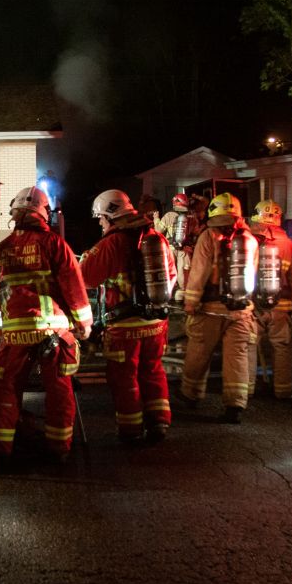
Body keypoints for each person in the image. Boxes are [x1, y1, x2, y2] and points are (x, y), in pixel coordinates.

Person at [0, 186, 92, 465]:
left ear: (15, 213)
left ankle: (0, 449)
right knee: (58, 388)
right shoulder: (54, 243)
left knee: (6, 387)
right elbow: (73, 286)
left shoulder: (1, 248)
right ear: (44, 213)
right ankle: (58, 448)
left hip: (14, 332)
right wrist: (84, 324)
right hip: (51, 330)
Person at [81, 189, 174, 443]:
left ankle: (131, 431)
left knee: (124, 377)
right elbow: (171, 276)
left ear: (110, 216)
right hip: (156, 322)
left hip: (124, 326)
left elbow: (85, 278)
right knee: (153, 370)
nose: (100, 223)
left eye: (101, 218)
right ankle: (159, 422)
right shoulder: (157, 238)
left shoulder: (110, 243)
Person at [180, 192, 258, 423]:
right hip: (241, 309)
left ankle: (191, 394)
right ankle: (235, 405)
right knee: (237, 357)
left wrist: (191, 302)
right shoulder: (250, 240)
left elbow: (199, 271)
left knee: (199, 352)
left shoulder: (208, 236)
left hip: (210, 309)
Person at [246, 200, 292, 399]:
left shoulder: (250, 241)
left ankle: (246, 389)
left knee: (248, 345)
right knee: (282, 347)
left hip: (254, 305)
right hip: (281, 305)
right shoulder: (289, 244)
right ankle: (283, 390)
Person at [154, 192, 192, 301]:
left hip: (171, 248)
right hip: (184, 249)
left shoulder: (169, 215)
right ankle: (182, 294)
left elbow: (158, 230)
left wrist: (156, 219)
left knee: (171, 271)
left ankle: (170, 293)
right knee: (183, 271)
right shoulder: (191, 217)